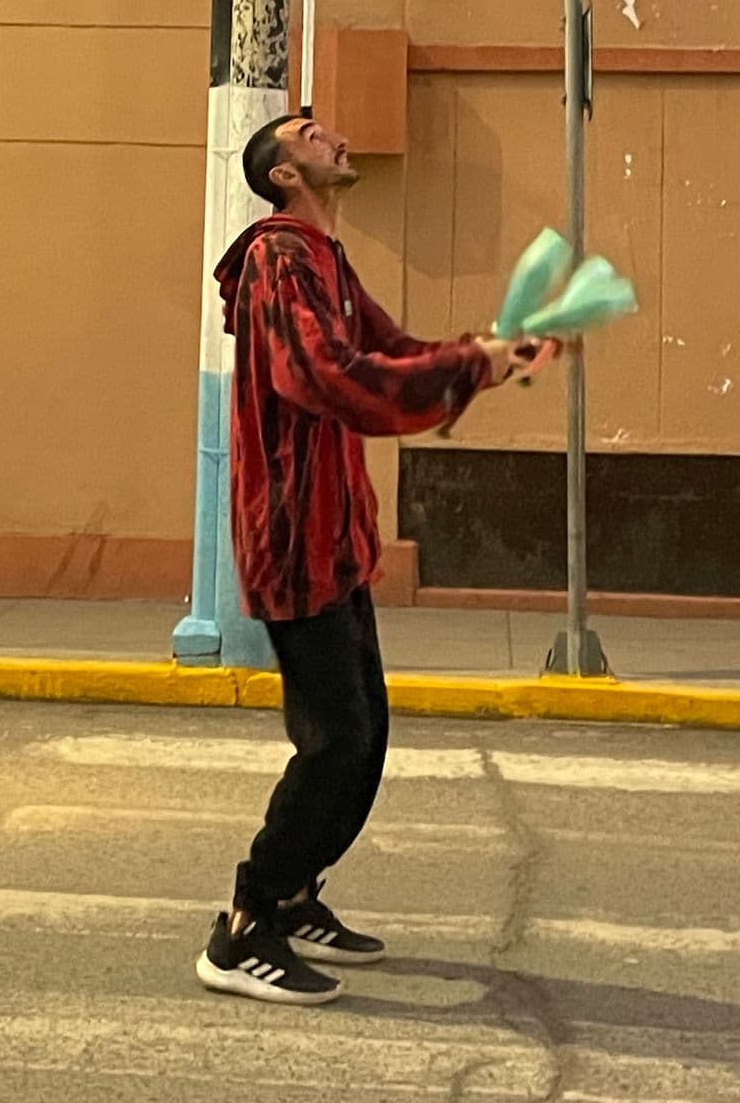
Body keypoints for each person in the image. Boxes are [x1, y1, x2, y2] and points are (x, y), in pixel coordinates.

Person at [195, 111, 559, 1008]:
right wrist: (466, 369)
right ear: (284, 173)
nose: (337, 138)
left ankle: (292, 891)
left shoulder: (325, 260)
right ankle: (244, 926)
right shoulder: (280, 257)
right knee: (336, 741)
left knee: (366, 733)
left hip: (335, 538)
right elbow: (328, 377)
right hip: (292, 536)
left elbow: (387, 351)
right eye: (313, 133)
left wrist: (484, 356)